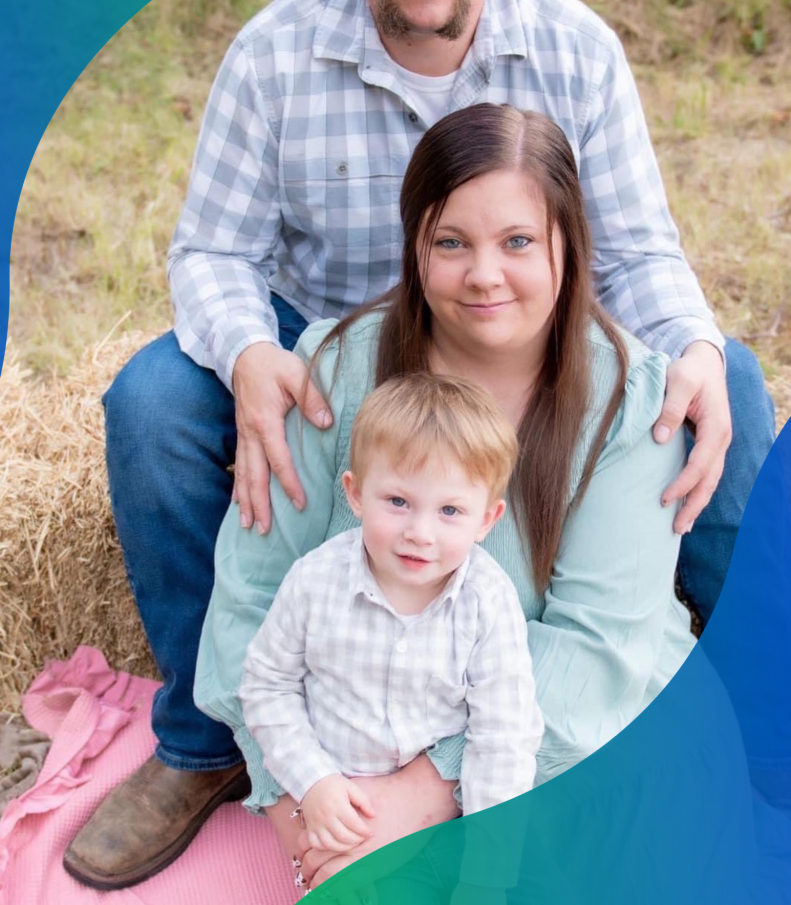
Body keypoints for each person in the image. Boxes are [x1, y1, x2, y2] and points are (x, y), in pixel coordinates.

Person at [63, 0, 775, 889]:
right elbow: (213, 250)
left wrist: (689, 349)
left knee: (723, 386)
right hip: (341, 343)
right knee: (150, 403)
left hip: (538, 341)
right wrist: (254, 358)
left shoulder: (572, 47)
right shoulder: (274, 52)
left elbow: (637, 250)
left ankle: (730, 693)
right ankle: (204, 736)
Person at [195, 104, 701, 898]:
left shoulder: (631, 403)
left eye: (519, 242)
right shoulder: (337, 371)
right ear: (414, 248)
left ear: (569, 244)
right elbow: (250, 599)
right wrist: (300, 800)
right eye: (450, 242)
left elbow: (595, 653)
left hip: (556, 748)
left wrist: (420, 797)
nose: (484, 275)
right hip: (346, 760)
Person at [240, 373, 543, 895]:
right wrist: (313, 781)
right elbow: (266, 686)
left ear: (486, 520)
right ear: (355, 494)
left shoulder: (488, 603)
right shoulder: (316, 581)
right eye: (398, 502)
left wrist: (485, 875)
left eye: (450, 511)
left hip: (441, 813)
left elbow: (503, 738)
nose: (420, 533)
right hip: (330, 794)